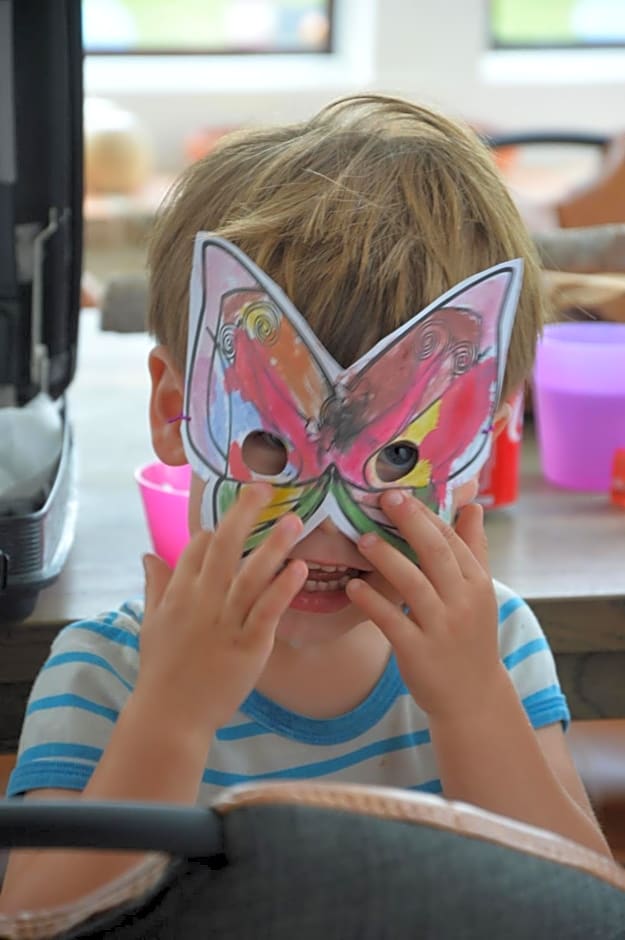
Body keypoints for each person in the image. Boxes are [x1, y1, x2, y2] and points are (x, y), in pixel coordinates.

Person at [0, 94, 611, 914]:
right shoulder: (108, 673)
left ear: (488, 439)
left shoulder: (493, 645)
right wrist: (173, 716)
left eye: (397, 457)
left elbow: (582, 911)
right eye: (270, 444)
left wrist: (471, 705)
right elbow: (34, 922)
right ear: (175, 411)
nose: (325, 527)